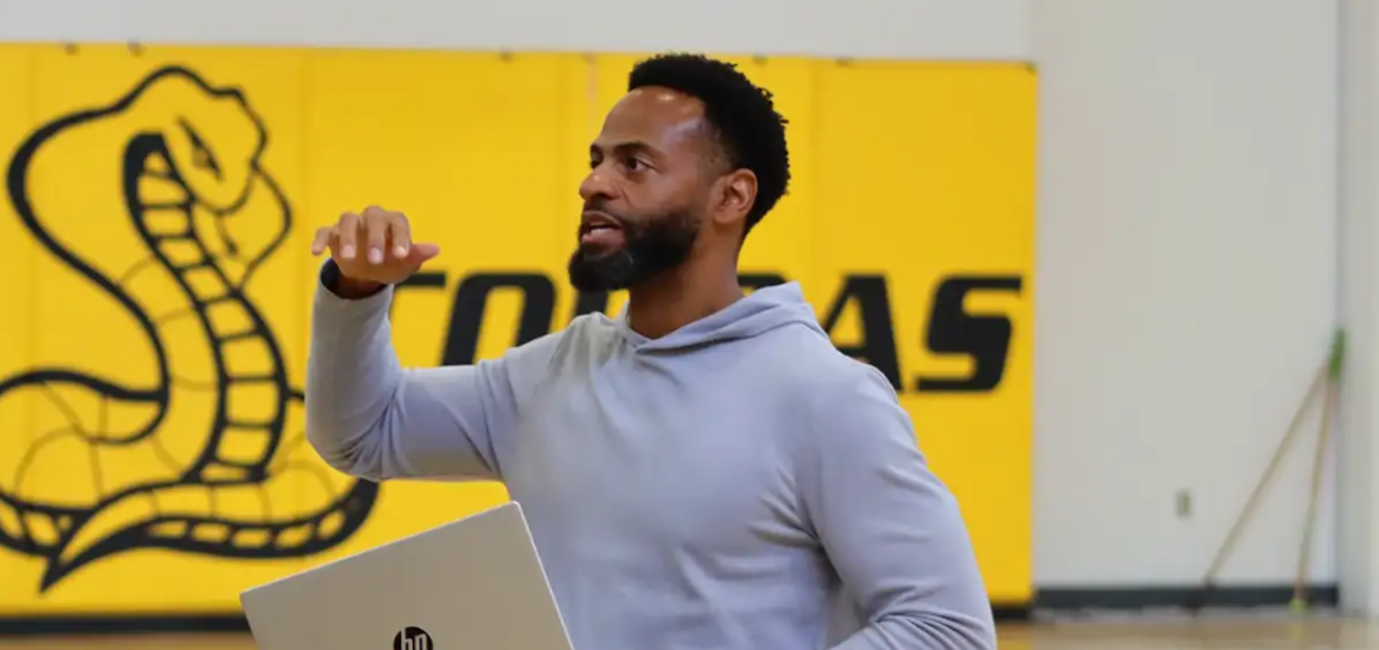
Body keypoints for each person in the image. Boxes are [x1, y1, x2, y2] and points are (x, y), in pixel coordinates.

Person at [302, 52, 996, 650]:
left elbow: (945, 627)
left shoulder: (824, 395)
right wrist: (356, 292)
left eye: (636, 164)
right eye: (597, 159)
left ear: (732, 197)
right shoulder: (549, 374)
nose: (595, 182)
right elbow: (365, 433)